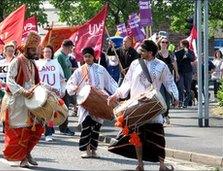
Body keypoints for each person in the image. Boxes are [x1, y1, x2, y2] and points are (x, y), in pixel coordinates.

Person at [108, 40, 179, 171]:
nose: (140, 52)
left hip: (153, 105)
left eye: (143, 50)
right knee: (137, 136)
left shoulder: (162, 66)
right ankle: (140, 164)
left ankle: (162, 165)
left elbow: (170, 82)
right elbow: (127, 83)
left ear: (150, 53)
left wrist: (175, 96)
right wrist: (115, 95)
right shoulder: (135, 64)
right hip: (136, 105)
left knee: (158, 136)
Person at [67, 47, 118, 158]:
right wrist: (73, 87)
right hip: (86, 103)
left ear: (93, 57)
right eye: (85, 56)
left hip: (99, 102)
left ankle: (94, 150)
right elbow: (70, 84)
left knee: (96, 127)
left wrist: (117, 94)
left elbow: (110, 83)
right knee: (87, 125)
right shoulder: (79, 71)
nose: (87, 58)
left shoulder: (101, 69)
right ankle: (87, 150)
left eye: (89, 56)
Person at [2, 32, 44, 168]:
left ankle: (27, 152)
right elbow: (10, 80)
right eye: (32, 49)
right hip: (18, 102)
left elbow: (36, 82)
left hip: (31, 101)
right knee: (21, 131)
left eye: (35, 49)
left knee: (36, 129)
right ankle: (22, 158)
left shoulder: (32, 63)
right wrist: (22, 91)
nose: (34, 51)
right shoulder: (16, 61)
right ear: (26, 49)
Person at [35, 45, 66, 142]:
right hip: (41, 91)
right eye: (45, 52)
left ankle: (49, 133)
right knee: (40, 112)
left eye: (49, 52)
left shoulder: (56, 63)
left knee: (50, 113)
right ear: (42, 53)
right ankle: (39, 132)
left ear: (52, 53)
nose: (47, 54)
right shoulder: (38, 63)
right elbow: (35, 78)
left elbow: (62, 78)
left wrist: (62, 90)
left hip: (54, 92)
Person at [156, 37, 179, 124]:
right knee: (162, 97)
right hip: (159, 79)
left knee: (168, 98)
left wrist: (177, 73)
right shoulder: (156, 54)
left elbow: (174, 63)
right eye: (163, 42)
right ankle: (162, 116)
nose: (164, 44)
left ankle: (166, 114)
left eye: (166, 42)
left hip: (168, 78)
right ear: (159, 43)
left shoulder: (170, 53)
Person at [54, 39, 75, 136]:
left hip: (68, 84)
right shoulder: (59, 56)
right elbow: (57, 70)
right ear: (67, 47)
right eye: (71, 47)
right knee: (64, 107)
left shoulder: (66, 56)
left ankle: (63, 127)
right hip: (62, 85)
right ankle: (63, 128)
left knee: (65, 106)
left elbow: (67, 68)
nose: (72, 49)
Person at [175, 39, 196, 108]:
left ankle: (186, 102)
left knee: (188, 88)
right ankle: (180, 102)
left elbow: (193, 59)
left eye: (183, 45)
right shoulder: (177, 52)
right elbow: (175, 61)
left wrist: (187, 53)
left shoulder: (190, 52)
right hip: (180, 71)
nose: (182, 46)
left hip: (188, 72)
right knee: (180, 87)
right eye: (182, 45)